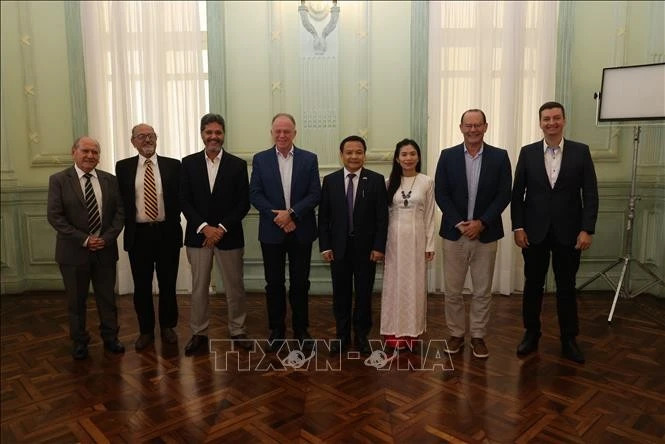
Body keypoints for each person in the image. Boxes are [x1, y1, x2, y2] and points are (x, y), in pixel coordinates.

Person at [512, 101, 598, 364]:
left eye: (556, 118)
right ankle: (531, 333)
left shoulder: (580, 152)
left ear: (564, 120)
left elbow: (590, 193)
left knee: (566, 287)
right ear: (540, 123)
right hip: (534, 232)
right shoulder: (527, 153)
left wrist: (587, 229)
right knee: (533, 285)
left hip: (569, 233)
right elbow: (517, 195)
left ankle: (569, 339)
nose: (552, 123)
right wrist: (518, 227)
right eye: (546, 119)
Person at [435, 109, 512, 359]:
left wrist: (482, 222)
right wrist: (459, 222)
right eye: (468, 125)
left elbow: (504, 194)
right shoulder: (447, 156)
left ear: (485, 127)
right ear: (461, 128)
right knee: (452, 291)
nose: (473, 130)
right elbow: (441, 193)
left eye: (478, 125)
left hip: (485, 234)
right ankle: (456, 334)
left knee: (482, 290)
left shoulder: (500, 157)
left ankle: (478, 336)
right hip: (454, 234)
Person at [47, 136, 125, 360]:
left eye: (95, 152)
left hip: (105, 250)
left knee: (107, 299)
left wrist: (106, 239)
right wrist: (85, 239)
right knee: (76, 301)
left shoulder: (110, 180)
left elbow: (120, 213)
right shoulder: (59, 180)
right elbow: (55, 216)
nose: (90, 156)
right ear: (74, 152)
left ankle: (111, 337)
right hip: (73, 252)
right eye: (85, 151)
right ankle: (79, 341)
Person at [180, 113, 251, 356]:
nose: (213, 137)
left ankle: (238, 330)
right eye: (209, 132)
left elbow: (243, 203)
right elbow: (184, 200)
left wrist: (220, 228)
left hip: (229, 236)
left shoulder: (237, 165)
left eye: (218, 132)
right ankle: (199, 332)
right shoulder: (188, 163)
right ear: (202, 134)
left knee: (234, 287)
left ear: (223, 134)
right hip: (198, 236)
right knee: (199, 287)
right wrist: (204, 227)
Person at [249, 113, 321, 351]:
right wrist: (279, 218)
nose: (282, 135)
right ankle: (277, 330)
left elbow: (315, 194)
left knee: (300, 283)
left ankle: (301, 329)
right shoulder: (260, 159)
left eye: (286, 131)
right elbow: (255, 194)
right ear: (271, 133)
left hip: (301, 230)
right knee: (274, 283)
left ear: (294, 133)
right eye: (278, 131)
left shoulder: (309, 159)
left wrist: (291, 214)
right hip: (272, 232)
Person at [319, 135, 389, 355]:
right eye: (349, 152)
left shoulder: (376, 180)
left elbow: (382, 219)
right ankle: (341, 336)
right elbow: (324, 218)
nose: (354, 156)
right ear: (341, 155)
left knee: (364, 294)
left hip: (366, 250)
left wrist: (379, 247)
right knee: (340, 294)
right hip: (338, 249)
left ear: (364, 155)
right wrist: (325, 246)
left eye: (358, 152)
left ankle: (361, 336)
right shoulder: (330, 181)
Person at [115, 124, 182, 351]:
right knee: (141, 286)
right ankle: (145, 330)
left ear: (157, 138)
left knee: (168, 283)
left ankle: (168, 326)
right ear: (133, 141)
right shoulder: (123, 167)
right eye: (141, 136)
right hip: (139, 235)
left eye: (151, 136)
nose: (147, 140)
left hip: (167, 233)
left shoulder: (173, 165)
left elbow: (181, 198)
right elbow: (120, 202)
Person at [380, 139, 435, 352]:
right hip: (393, 241)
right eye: (404, 154)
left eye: (412, 154)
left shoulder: (426, 181)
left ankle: (412, 331)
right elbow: (382, 217)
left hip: (417, 240)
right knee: (394, 284)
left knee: (415, 285)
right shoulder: (388, 182)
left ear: (418, 157)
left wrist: (429, 244)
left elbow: (430, 215)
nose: (408, 158)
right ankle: (393, 331)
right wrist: (381, 245)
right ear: (397, 158)